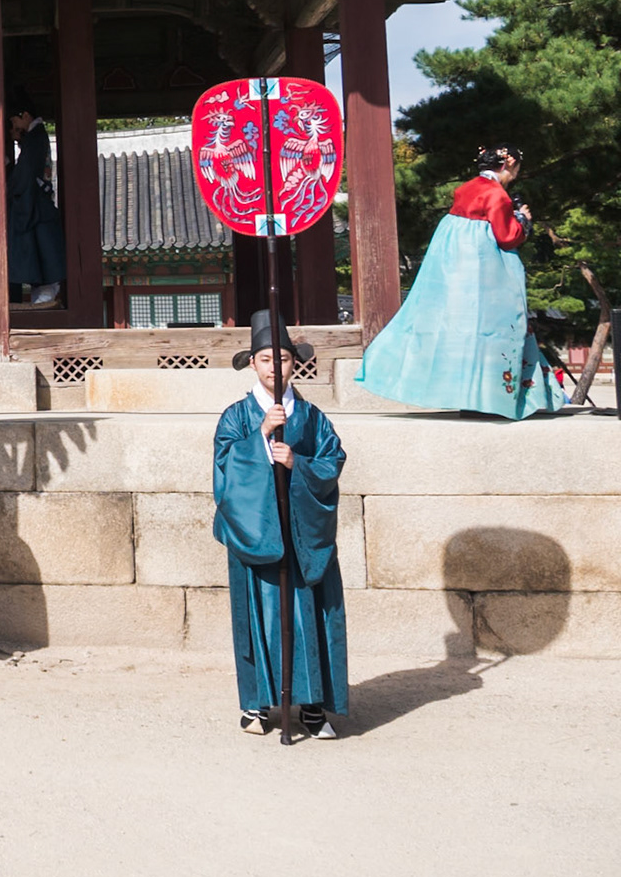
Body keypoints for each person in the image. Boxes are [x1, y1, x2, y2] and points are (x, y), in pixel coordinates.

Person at [356, 145, 567, 418]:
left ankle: (467, 397)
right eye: (516, 168)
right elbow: (507, 236)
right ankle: (493, 400)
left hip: (458, 271)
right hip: (487, 274)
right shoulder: (497, 195)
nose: (516, 175)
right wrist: (522, 220)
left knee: (462, 331)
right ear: (507, 165)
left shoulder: (466, 188)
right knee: (497, 330)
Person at [214, 310, 347, 739]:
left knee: (309, 614)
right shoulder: (235, 417)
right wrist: (259, 439)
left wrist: (299, 463)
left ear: (295, 364)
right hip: (256, 529)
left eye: (284, 359)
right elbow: (224, 472)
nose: (276, 367)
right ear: (252, 364)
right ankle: (257, 704)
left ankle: (312, 705)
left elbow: (333, 460)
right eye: (267, 359)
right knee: (257, 616)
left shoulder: (313, 417)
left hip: (302, 531)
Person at [7, 86, 65, 308]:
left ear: (25, 116)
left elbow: (26, 174)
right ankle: (43, 292)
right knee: (40, 248)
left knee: (42, 248)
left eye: (15, 122)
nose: (15, 128)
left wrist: (10, 186)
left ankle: (47, 291)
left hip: (35, 203)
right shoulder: (35, 138)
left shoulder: (36, 138)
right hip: (36, 201)